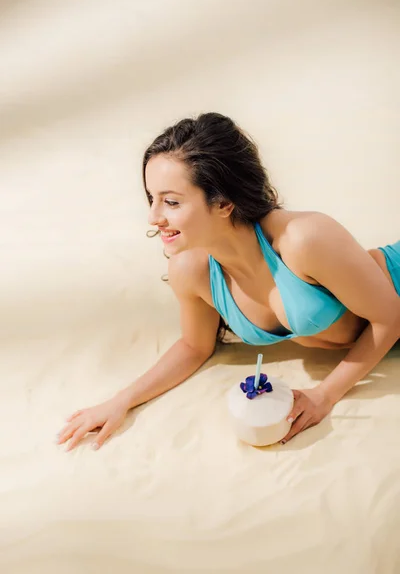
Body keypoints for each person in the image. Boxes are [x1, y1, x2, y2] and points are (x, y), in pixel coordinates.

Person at [56, 112, 400, 452]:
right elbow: (195, 347)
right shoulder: (191, 270)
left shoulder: (302, 239)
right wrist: (121, 401)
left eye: (171, 202)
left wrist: (324, 395)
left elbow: (389, 317)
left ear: (223, 203)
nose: (154, 217)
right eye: (152, 198)